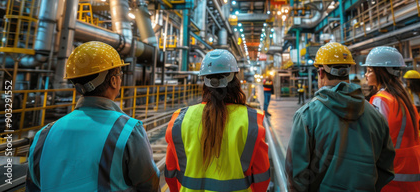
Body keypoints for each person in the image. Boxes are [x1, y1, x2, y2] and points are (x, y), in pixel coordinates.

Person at [26, 41, 160, 191]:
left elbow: (33, 186)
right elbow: (149, 184)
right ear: (114, 81)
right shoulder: (129, 131)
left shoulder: (44, 135)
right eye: (119, 74)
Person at [285, 42, 395, 191]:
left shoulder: (307, 116)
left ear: (321, 72)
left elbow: (295, 174)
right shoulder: (376, 115)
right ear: (347, 72)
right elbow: (386, 168)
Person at [164, 49, 270, 191]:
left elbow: (171, 173)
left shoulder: (180, 120)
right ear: (234, 79)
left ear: (205, 80)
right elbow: (262, 177)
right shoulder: (252, 121)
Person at [364, 46, 420, 192]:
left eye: (369, 70)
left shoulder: (381, 100)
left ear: (381, 72)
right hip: (409, 168)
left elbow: (374, 139)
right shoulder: (402, 97)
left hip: (391, 171)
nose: (366, 74)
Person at [404, 70, 420, 145]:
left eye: (407, 80)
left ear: (412, 81)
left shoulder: (413, 92)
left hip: (418, 119)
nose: (406, 82)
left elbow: (416, 107)